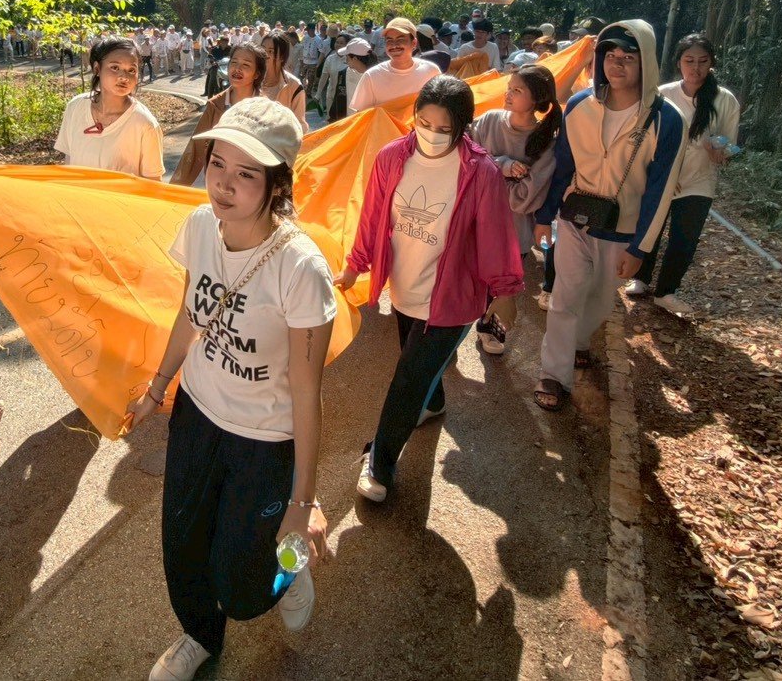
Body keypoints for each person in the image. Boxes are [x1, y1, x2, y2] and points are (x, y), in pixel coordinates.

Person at [125, 98, 335, 681]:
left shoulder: (300, 269)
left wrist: (302, 502)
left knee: (243, 588)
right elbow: (192, 313)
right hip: (196, 416)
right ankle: (199, 635)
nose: (223, 184)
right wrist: (158, 388)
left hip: (264, 442)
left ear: (276, 185)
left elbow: (307, 391)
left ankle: (290, 571)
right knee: (183, 547)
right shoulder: (200, 226)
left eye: (246, 174)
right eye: (217, 163)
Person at [335, 76, 523, 502]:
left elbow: (495, 236)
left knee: (407, 380)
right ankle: (433, 402)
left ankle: (379, 463)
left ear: (463, 126)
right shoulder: (391, 158)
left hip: (454, 297)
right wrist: (355, 266)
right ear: (414, 117)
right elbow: (373, 217)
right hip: (404, 288)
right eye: (424, 123)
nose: (432, 134)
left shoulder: (480, 173)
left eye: (444, 128)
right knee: (416, 366)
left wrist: (506, 292)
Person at [531, 20, 685, 411]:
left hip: (623, 228)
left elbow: (660, 190)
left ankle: (580, 342)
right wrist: (545, 216)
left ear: (646, 62)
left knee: (600, 300)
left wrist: (640, 248)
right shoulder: (580, 105)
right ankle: (554, 374)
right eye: (610, 55)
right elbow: (562, 166)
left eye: (628, 58)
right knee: (564, 297)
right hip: (575, 218)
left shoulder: (666, 120)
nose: (617, 64)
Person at [624, 33, 741, 317]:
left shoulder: (725, 100)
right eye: (689, 60)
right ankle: (641, 277)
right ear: (679, 63)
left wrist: (720, 152)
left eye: (702, 61)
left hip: (699, 180)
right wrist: (656, 174)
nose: (695, 68)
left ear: (711, 63)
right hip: (662, 177)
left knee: (684, 239)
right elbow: (645, 138)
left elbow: (730, 145)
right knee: (651, 228)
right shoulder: (663, 94)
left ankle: (667, 291)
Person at [469, 63, 563, 355]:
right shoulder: (488, 121)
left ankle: (492, 329)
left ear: (536, 99)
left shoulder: (547, 142)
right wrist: (503, 166)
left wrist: (488, 177)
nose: (508, 94)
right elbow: (466, 164)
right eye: (509, 88)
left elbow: (524, 199)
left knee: (503, 287)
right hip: (475, 222)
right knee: (471, 281)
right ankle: (457, 328)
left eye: (517, 90)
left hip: (514, 231)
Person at [54, 37, 165, 179]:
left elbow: (153, 182)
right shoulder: (75, 107)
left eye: (131, 70)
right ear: (97, 68)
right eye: (115, 68)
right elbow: (69, 160)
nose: (124, 77)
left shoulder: (145, 124)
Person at [172, 45, 267, 186]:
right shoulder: (215, 105)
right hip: (215, 177)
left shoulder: (266, 109)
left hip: (249, 181)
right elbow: (197, 147)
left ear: (257, 74)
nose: (237, 69)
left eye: (246, 65)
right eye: (234, 62)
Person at [348, 17, 442, 112]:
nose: (394, 45)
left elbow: (439, 109)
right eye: (389, 40)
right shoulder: (371, 76)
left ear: (414, 43)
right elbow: (362, 116)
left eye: (400, 39)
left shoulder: (431, 71)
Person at [261, 32, 309, 130]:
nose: (265, 55)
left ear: (282, 57)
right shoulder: (251, 79)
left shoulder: (295, 86)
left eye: (271, 51)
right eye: (262, 49)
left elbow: (300, 126)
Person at [314, 33, 350, 121]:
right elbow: (324, 78)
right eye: (337, 42)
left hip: (347, 97)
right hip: (332, 95)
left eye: (341, 43)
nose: (338, 45)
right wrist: (318, 94)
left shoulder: (351, 59)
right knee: (331, 120)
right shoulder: (330, 59)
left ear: (347, 45)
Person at [341, 37, 375, 112]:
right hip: (350, 117)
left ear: (355, 59)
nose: (345, 60)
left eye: (347, 57)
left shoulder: (375, 76)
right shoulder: (347, 72)